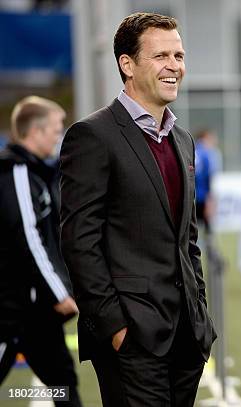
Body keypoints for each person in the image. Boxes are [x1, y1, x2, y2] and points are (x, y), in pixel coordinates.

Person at [59, 12, 216, 406]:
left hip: (186, 335)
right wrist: (115, 326)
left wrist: (200, 315)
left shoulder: (182, 140)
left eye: (179, 56)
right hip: (131, 338)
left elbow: (187, 237)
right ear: (126, 65)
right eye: (161, 56)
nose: (175, 66)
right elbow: (79, 243)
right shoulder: (92, 136)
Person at [0, 96, 82, 406]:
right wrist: (59, 293)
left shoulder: (36, 173)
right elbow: (28, 238)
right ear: (35, 132)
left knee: (63, 383)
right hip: (9, 311)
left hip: (35, 314)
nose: (58, 138)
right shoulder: (16, 172)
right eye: (55, 130)